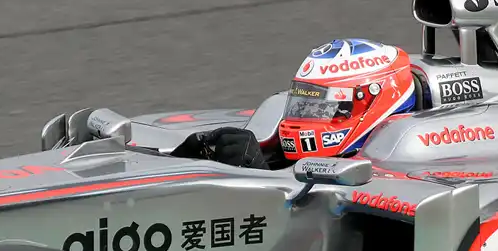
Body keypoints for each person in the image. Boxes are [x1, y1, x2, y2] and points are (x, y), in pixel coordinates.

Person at [173, 38, 419, 168]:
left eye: (323, 107)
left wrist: (259, 179)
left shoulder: (394, 170)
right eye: (304, 101)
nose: (306, 114)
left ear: (370, 101)